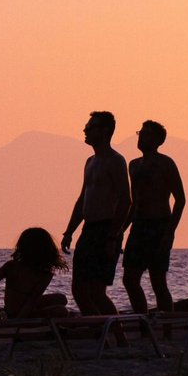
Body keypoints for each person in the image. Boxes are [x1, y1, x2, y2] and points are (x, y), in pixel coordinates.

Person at [61, 111, 132, 316]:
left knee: (96, 291)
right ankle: (100, 331)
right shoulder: (90, 162)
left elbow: (125, 200)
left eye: (91, 126)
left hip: (106, 229)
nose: (85, 130)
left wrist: (112, 236)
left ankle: (118, 337)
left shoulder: (116, 161)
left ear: (105, 131)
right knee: (79, 290)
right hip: (89, 229)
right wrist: (69, 231)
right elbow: (82, 199)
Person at [123, 120, 187, 315]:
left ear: (158, 140)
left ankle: (167, 327)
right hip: (138, 227)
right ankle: (144, 322)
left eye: (146, 134)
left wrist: (170, 232)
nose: (141, 137)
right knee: (130, 279)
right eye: (140, 133)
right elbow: (134, 203)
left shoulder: (165, 163)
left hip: (159, 225)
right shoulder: (133, 165)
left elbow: (180, 199)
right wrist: (120, 231)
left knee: (158, 281)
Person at [0, 227, 70, 319]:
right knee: (62, 311)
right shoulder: (12, 266)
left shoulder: (44, 272)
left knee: (61, 298)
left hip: (28, 308)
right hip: (18, 313)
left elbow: (33, 299)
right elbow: (32, 299)